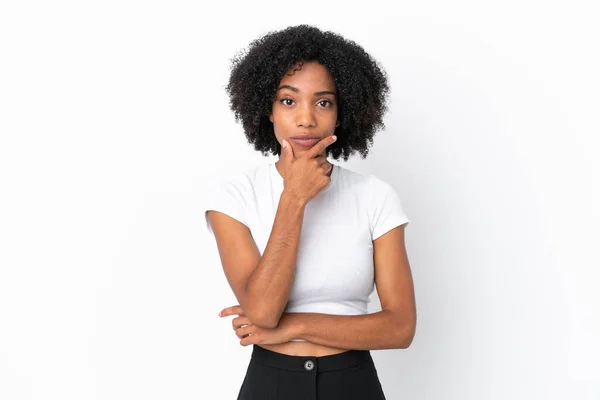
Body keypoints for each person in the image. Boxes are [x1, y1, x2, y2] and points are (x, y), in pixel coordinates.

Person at [204, 24, 416, 400]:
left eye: (323, 102)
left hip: (353, 383)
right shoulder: (236, 197)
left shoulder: (375, 197)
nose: (305, 119)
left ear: (341, 111)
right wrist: (294, 199)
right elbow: (264, 312)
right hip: (271, 383)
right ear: (266, 110)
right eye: (288, 101)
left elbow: (400, 328)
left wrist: (293, 326)